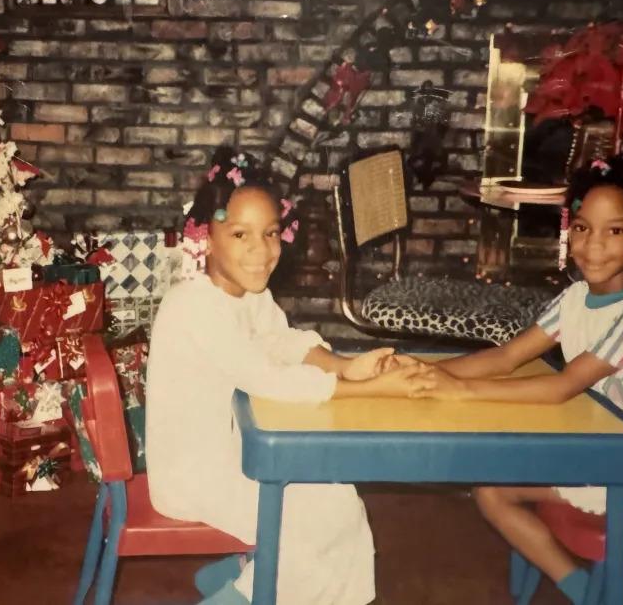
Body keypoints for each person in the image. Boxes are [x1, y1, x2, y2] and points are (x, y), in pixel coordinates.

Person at [412, 149, 623, 605]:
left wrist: (459, 390)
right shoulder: (576, 298)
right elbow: (507, 357)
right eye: (582, 229)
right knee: (491, 491)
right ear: (568, 232)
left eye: (615, 231)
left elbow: (562, 386)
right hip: (600, 459)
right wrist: (422, 371)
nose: (594, 245)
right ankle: (581, 591)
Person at [145, 147, 432, 605]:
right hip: (194, 473)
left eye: (271, 233)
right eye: (241, 234)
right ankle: (241, 591)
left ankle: (243, 579)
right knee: (317, 523)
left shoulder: (245, 293)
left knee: (339, 504)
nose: (262, 251)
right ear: (205, 236)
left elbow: (285, 341)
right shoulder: (195, 306)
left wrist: (345, 367)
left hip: (236, 453)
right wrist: (370, 388)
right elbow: (269, 378)